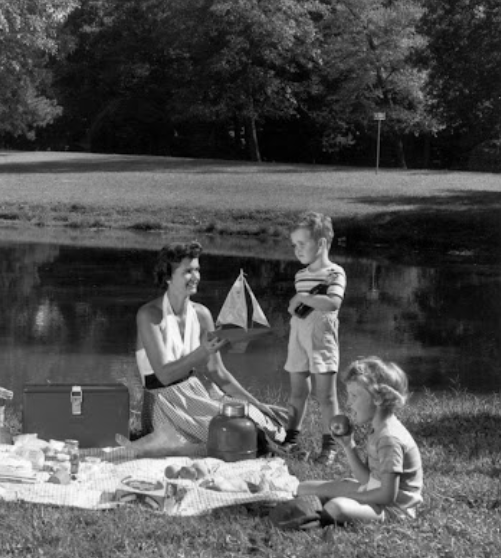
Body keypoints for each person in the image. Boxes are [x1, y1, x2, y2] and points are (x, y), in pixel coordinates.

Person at [117, 241, 288, 458]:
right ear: (168, 276)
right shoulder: (149, 315)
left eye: (197, 269)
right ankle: (166, 441)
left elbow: (218, 372)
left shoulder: (202, 314)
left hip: (196, 394)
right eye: (188, 271)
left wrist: (257, 403)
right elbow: (164, 374)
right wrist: (202, 351)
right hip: (163, 401)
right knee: (236, 432)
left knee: (261, 420)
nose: (196, 276)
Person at [296, 357, 423, 523]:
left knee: (337, 507)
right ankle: (315, 503)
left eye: (354, 396)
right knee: (304, 487)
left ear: (378, 399)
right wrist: (349, 446)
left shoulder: (389, 439)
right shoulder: (378, 429)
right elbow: (369, 480)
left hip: (394, 510)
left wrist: (354, 496)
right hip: (376, 493)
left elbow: (387, 496)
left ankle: (318, 516)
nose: (349, 403)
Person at [283, 211, 346, 465]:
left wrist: (303, 298)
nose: (297, 250)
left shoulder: (335, 273)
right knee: (297, 392)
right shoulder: (300, 275)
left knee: (326, 396)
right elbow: (298, 306)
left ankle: (329, 447)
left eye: (302, 244)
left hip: (322, 338)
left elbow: (332, 303)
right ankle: (290, 440)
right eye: (294, 245)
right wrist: (295, 304)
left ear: (320, 243)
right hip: (298, 335)